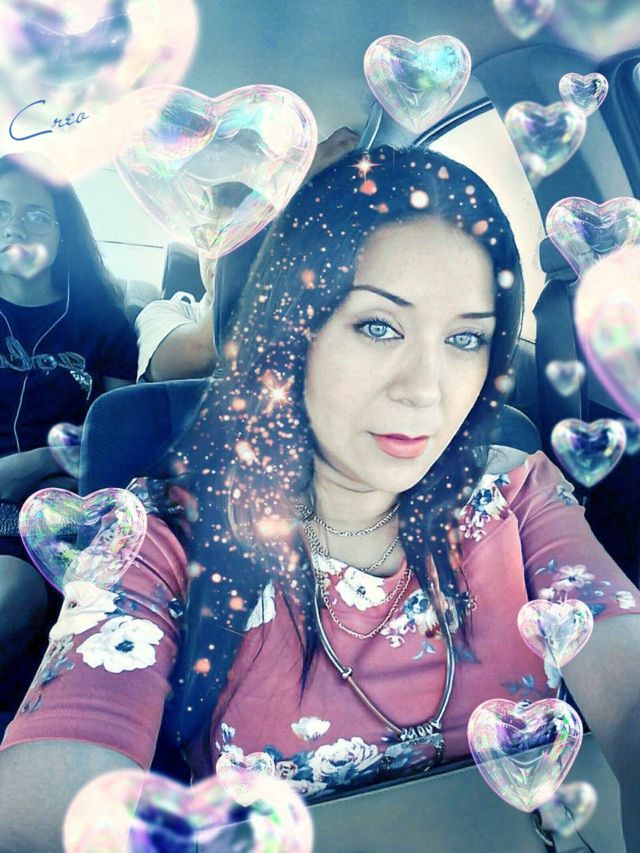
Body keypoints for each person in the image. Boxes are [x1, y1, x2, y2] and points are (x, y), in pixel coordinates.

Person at [1, 145, 639, 852]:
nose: (425, 389)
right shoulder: (164, 533)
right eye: (378, 326)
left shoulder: (516, 493)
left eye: (466, 338)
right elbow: (47, 808)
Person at [0, 153, 138, 716]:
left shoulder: (103, 322)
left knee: (9, 596)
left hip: (43, 511)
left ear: (63, 233)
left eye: (36, 215)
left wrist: (36, 464)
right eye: (1, 211)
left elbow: (114, 442)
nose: (14, 227)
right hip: (24, 484)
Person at [135, 127, 360, 382]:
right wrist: (296, 188)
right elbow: (198, 354)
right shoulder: (166, 311)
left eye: (244, 236)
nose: (223, 253)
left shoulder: (304, 314)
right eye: (212, 236)